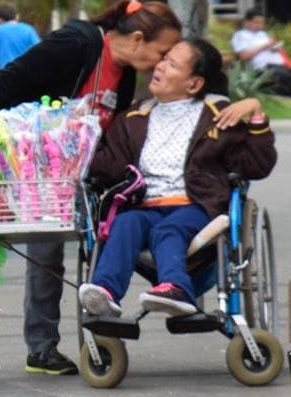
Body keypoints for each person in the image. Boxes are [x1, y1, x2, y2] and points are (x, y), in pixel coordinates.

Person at [0, 0, 184, 377]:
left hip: (60, 178)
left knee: (48, 253)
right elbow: (15, 76)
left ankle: (42, 349)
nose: (162, 63)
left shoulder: (125, 76)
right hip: (10, 158)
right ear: (139, 38)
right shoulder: (78, 43)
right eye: (162, 52)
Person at [78, 39, 276, 320]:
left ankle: (177, 289)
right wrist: (80, 138)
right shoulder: (134, 117)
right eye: (164, 58)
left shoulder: (218, 115)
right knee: (125, 223)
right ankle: (104, 292)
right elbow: (110, 167)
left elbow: (256, 165)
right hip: (145, 206)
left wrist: (256, 113)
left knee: (167, 231)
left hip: (197, 206)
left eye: (172, 64)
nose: (160, 66)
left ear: (194, 84)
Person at [230, 9, 291, 96]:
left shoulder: (263, 34)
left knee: (285, 74)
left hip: (280, 66)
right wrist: (265, 46)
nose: (260, 25)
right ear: (247, 22)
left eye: (262, 23)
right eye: (257, 22)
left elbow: (269, 47)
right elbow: (244, 56)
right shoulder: (241, 35)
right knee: (284, 75)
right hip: (264, 69)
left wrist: (274, 47)